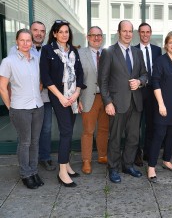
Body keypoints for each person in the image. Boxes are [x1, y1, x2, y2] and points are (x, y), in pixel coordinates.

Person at [98, 20, 148, 183]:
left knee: (133, 137)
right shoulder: (109, 52)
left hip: (135, 102)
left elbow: (145, 74)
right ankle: (113, 168)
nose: (127, 34)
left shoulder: (137, 52)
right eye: (124, 31)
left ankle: (128, 164)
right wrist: (108, 102)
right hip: (117, 104)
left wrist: (140, 82)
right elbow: (102, 80)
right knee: (115, 137)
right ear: (118, 32)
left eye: (130, 31)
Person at [40, 20, 84, 187]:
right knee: (66, 132)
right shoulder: (47, 50)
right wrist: (61, 97)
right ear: (54, 34)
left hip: (73, 97)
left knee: (69, 130)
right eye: (61, 31)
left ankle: (66, 164)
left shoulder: (73, 50)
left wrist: (77, 94)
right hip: (59, 97)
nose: (64, 34)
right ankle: (62, 171)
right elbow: (46, 77)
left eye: (67, 31)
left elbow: (80, 74)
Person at [0, 29, 44, 189]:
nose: (26, 43)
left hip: (38, 106)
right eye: (22, 40)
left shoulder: (36, 59)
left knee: (35, 141)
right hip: (20, 108)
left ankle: (33, 171)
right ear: (17, 42)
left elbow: (41, 82)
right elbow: (2, 87)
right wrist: (10, 107)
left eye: (28, 40)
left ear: (32, 42)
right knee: (25, 142)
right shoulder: (9, 61)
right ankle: (26, 174)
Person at [10, 21, 55, 171]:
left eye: (42, 31)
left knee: (46, 129)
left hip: (44, 98)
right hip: (24, 101)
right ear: (30, 31)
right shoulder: (15, 51)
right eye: (35, 30)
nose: (39, 33)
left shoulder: (48, 50)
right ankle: (26, 164)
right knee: (26, 136)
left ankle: (45, 157)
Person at [147, 31, 172, 183]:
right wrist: (161, 104)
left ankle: (167, 160)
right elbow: (155, 82)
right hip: (162, 104)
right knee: (159, 135)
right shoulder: (160, 61)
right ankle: (151, 167)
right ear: (166, 45)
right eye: (170, 42)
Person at [78, 26, 109, 174]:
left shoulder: (108, 53)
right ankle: (86, 160)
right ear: (88, 37)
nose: (96, 38)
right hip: (87, 97)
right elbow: (75, 78)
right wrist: (77, 98)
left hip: (105, 98)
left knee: (104, 129)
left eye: (99, 35)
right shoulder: (79, 53)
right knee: (88, 131)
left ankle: (102, 155)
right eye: (93, 35)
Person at [134, 22, 162, 167]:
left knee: (151, 123)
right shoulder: (133, 50)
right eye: (142, 32)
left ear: (151, 33)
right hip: (138, 91)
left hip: (153, 92)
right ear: (139, 33)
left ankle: (148, 151)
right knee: (136, 124)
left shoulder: (157, 50)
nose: (145, 34)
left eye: (147, 32)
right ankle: (136, 153)